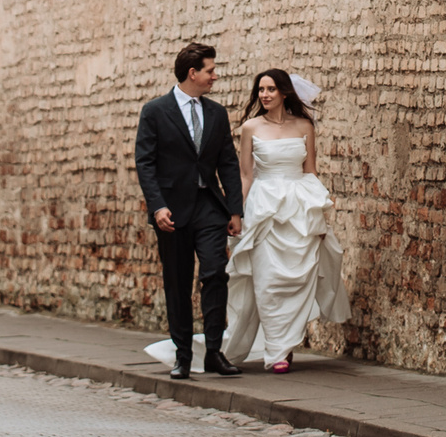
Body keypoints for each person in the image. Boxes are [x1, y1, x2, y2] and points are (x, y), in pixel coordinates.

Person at [222, 69, 347, 374]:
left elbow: (310, 171)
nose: (264, 95)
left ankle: (284, 348)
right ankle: (276, 348)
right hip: (264, 208)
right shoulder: (251, 127)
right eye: (261, 90)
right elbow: (246, 175)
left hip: (298, 207)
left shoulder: (304, 125)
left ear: (284, 93)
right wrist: (237, 213)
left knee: (298, 279)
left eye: (271, 89)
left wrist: (319, 211)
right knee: (267, 280)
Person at [135, 42, 243, 380]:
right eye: (210, 70)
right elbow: (145, 163)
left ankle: (213, 351)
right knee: (177, 282)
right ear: (192, 73)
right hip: (173, 212)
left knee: (215, 273)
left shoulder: (216, 113)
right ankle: (182, 355)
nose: (215, 75)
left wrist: (235, 209)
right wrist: (157, 207)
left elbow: (228, 163)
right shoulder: (155, 111)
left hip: (209, 207)